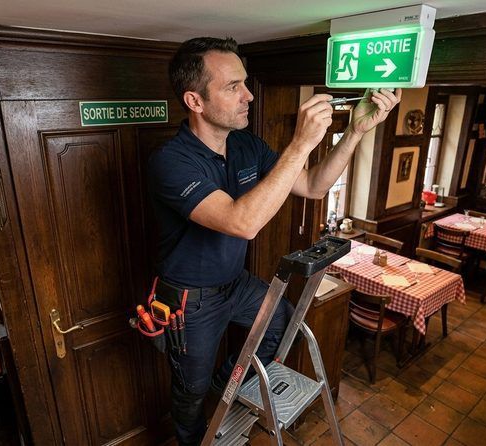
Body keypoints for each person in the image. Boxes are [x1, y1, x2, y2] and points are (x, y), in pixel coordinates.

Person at [147, 37, 400, 445]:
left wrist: (353, 133)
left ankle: (224, 387)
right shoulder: (171, 161)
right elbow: (242, 222)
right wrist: (301, 143)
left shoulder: (247, 144)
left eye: (245, 83)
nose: (248, 95)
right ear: (194, 100)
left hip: (236, 281)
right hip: (190, 299)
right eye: (233, 87)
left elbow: (314, 186)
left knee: (280, 323)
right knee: (189, 391)